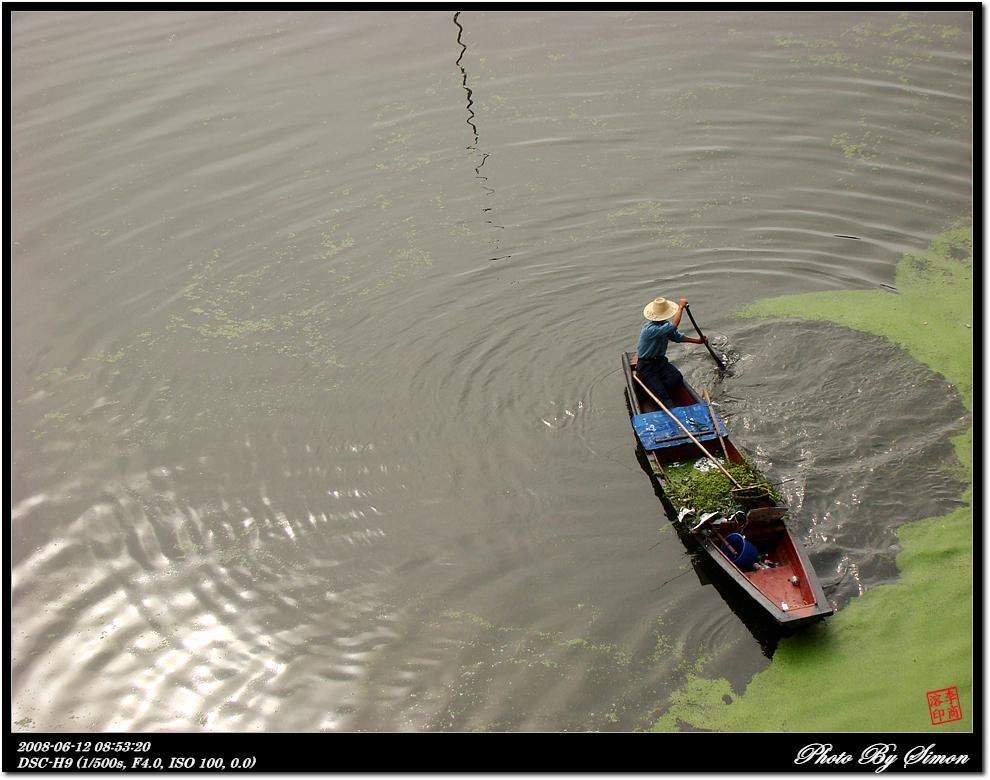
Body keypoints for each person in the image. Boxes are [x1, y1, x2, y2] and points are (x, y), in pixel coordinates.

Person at [636, 296, 708, 406]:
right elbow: (674, 326)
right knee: (663, 396)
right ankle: (659, 395)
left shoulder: (665, 325)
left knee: (677, 378)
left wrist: (698, 341)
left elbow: (678, 337)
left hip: (661, 362)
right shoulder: (649, 330)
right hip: (646, 366)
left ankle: (656, 389)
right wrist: (680, 307)